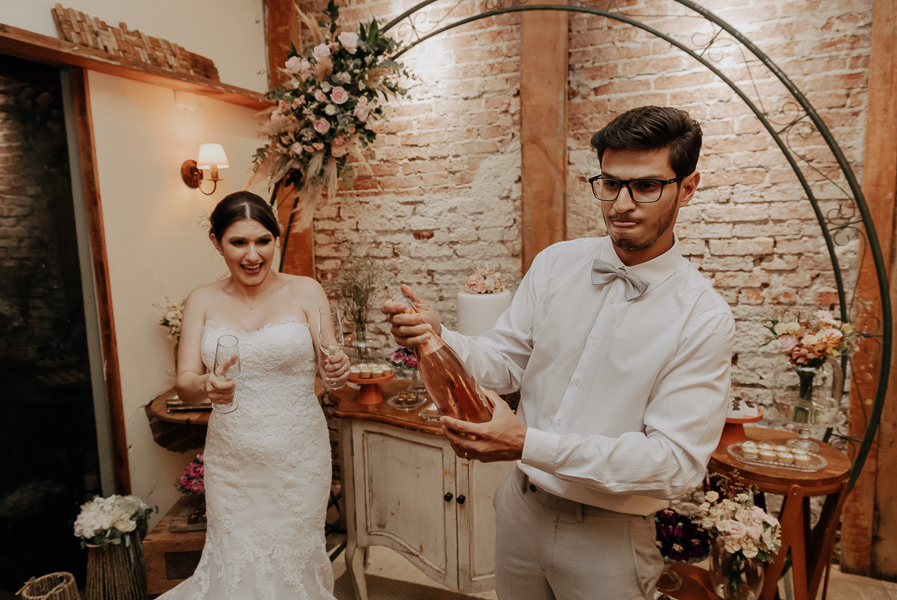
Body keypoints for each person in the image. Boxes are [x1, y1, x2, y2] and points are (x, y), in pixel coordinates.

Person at [382, 106, 735, 600]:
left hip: (607, 536)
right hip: (520, 509)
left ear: (688, 187)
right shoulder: (555, 264)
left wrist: (527, 443)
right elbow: (503, 361)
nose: (622, 204)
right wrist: (437, 336)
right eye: (610, 184)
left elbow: (673, 462)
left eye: (646, 186)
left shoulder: (703, 316)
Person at [158, 191, 349, 600]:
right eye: (238, 242)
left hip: (298, 458)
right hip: (233, 461)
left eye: (263, 240)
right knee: (236, 559)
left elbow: (332, 370)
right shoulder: (202, 300)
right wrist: (207, 386)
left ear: (275, 239)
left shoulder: (307, 292)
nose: (252, 255)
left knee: (294, 560)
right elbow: (185, 382)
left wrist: (337, 371)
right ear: (216, 242)